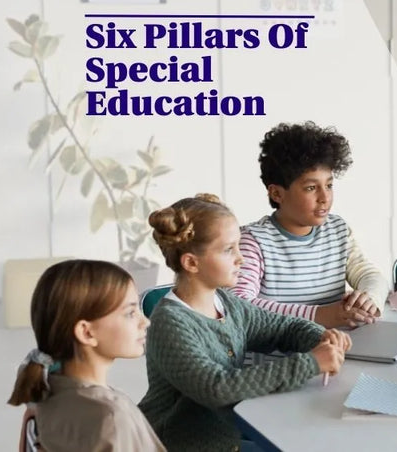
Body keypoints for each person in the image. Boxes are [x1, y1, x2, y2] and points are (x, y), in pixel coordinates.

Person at [139, 193, 350, 451]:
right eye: (229, 250)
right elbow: (218, 387)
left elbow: (284, 327)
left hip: (228, 442)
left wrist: (320, 337)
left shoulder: (227, 303)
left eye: (238, 246)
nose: (241, 258)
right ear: (192, 262)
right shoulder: (170, 323)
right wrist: (311, 363)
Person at [232, 121, 389, 329]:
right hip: (282, 356)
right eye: (311, 188)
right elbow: (239, 304)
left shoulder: (337, 230)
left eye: (329, 185)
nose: (325, 197)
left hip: (337, 347)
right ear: (277, 193)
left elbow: (369, 275)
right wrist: (321, 315)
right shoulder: (252, 241)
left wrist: (369, 298)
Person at [7, 259, 165, 451]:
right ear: (86, 332)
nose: (145, 322)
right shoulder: (112, 416)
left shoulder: (44, 391)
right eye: (130, 313)